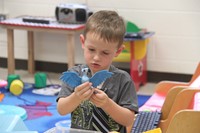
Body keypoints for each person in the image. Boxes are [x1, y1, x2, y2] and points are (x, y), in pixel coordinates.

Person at [57, 10, 138, 133]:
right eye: (91, 49)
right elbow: (61, 109)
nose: (96, 58)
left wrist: (107, 104)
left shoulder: (123, 79)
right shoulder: (74, 74)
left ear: (117, 51)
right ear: (83, 42)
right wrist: (76, 97)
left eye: (105, 52)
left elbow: (128, 120)